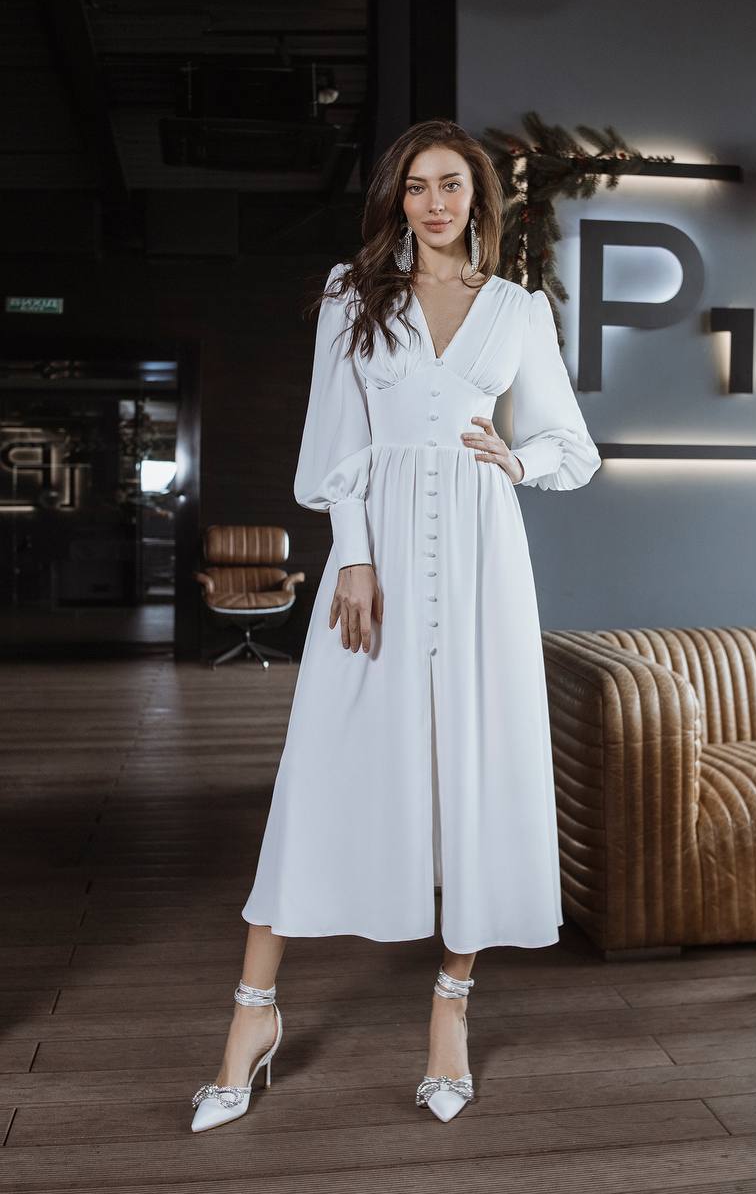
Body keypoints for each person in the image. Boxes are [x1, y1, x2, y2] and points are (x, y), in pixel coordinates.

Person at [190, 118, 601, 1132]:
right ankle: (250, 1017)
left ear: (477, 199)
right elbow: (338, 445)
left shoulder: (516, 309)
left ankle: (449, 1012)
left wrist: (520, 461)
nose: (433, 201)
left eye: (450, 183)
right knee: (321, 771)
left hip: (481, 563)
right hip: (374, 564)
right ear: (395, 200)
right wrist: (357, 555)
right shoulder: (352, 294)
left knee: (471, 769)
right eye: (415, 184)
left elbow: (569, 442)